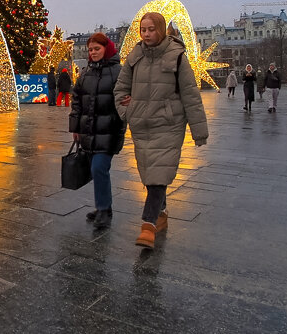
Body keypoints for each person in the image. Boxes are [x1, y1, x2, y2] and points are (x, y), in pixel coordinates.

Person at [114, 12, 208, 249]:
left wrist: (199, 131)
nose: (146, 34)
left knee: (157, 176)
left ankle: (148, 225)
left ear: (161, 29)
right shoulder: (134, 56)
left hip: (168, 125)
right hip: (141, 126)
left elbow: (191, 95)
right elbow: (120, 90)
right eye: (143, 30)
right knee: (150, 174)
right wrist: (128, 111)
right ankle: (162, 212)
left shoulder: (177, 57)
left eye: (151, 29)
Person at [69, 33, 125, 229]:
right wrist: (75, 127)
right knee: (97, 169)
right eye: (90, 50)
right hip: (88, 130)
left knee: (99, 168)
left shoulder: (119, 71)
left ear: (106, 48)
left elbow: (125, 98)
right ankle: (104, 207)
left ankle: (103, 210)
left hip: (108, 130)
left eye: (97, 49)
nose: (93, 53)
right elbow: (76, 100)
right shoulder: (85, 73)